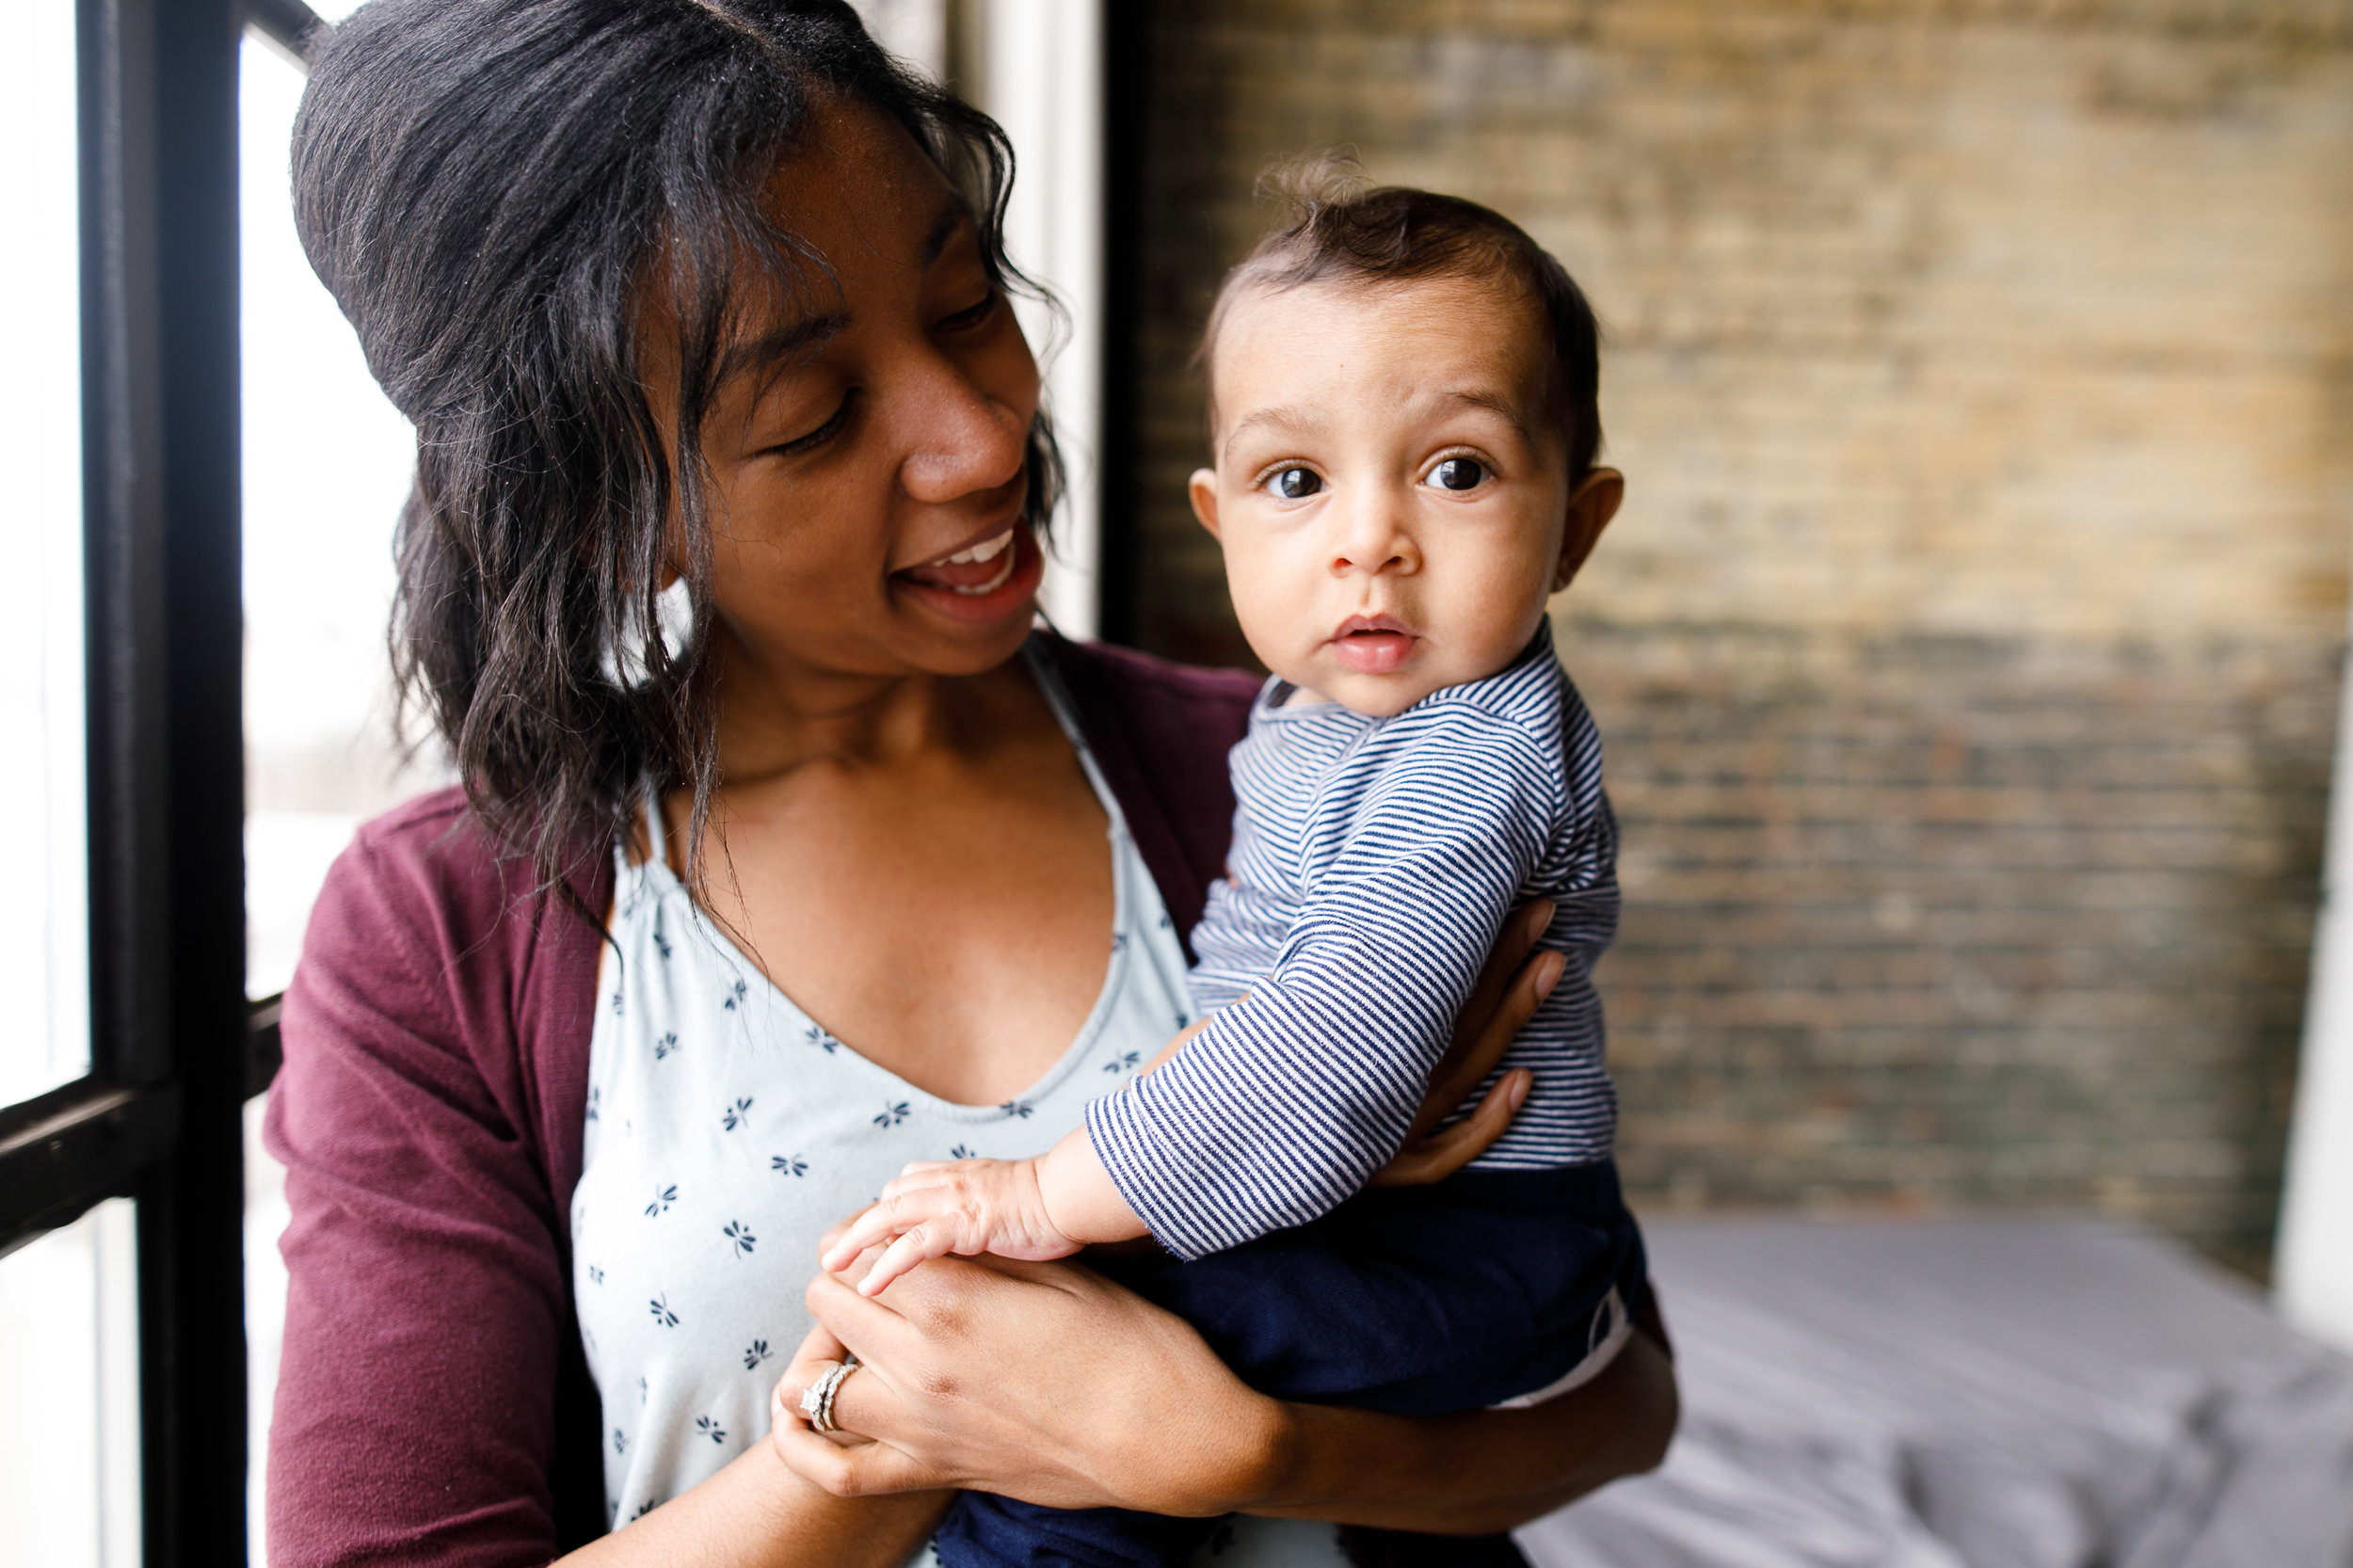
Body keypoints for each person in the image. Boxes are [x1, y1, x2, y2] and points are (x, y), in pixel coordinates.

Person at [264, 5, 1679, 1567]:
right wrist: (894, 1439)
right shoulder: (452, 934)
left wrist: (1234, 1445)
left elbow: (1621, 1404)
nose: (983, 434)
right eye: (813, 416)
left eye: (965, 304)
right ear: (607, 512)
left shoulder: (1303, 768)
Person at [815, 174, 1643, 1568]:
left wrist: (1031, 1196)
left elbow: (1334, 1049)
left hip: (1482, 1244)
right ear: (1220, 516)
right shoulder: (1311, 721)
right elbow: (1261, 965)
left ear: (1575, 525)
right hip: (1409, 1227)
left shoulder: (1465, 759)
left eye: (1457, 470)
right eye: (1295, 480)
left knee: (1094, 1358)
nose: (1367, 538)